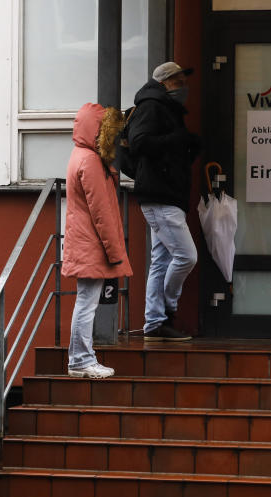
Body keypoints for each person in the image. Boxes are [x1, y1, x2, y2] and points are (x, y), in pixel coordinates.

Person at [129, 60, 202, 341]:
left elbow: (166, 148)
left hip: (166, 195)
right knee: (186, 256)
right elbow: (139, 143)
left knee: (161, 261)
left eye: (184, 81)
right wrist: (178, 139)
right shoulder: (152, 106)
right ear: (164, 84)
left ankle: (154, 324)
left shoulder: (165, 108)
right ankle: (167, 311)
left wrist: (186, 147)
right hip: (160, 196)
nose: (183, 87)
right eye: (178, 82)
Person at [63, 103, 133, 378]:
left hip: (84, 240)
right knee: (87, 302)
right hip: (92, 243)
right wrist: (115, 252)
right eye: (110, 132)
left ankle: (80, 358)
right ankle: (81, 359)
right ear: (99, 131)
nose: (114, 138)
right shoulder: (90, 161)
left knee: (85, 300)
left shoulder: (79, 155)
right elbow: (102, 211)